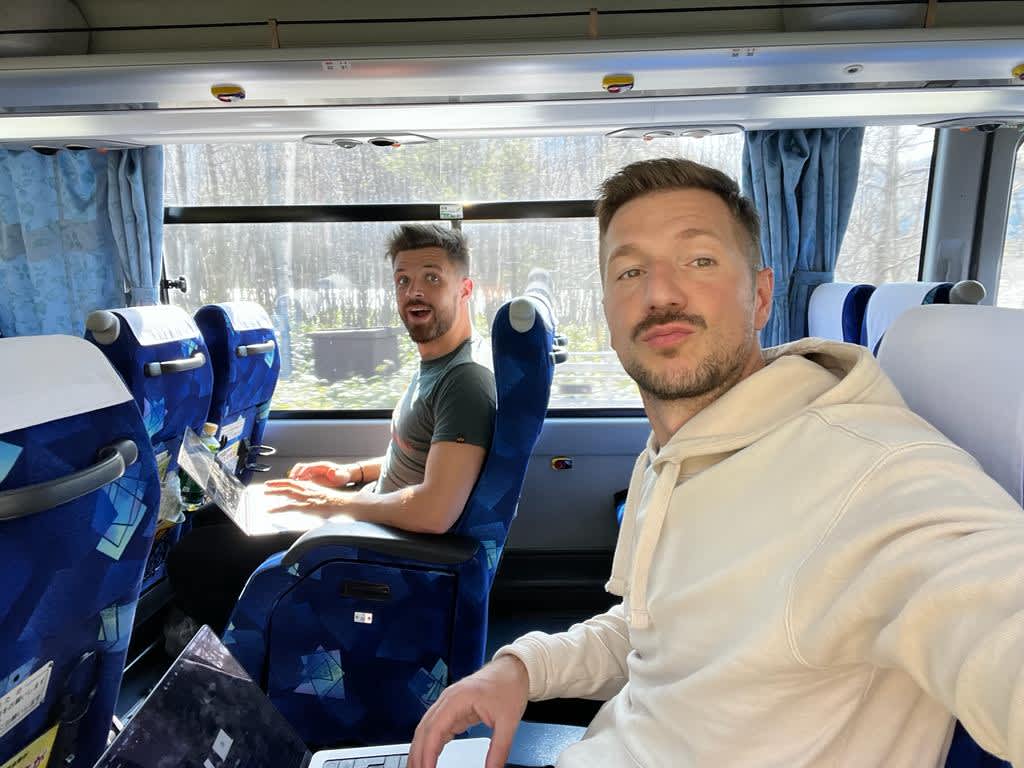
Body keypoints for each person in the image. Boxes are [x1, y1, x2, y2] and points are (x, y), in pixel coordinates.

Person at [408, 158, 1024, 768]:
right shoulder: (673, 451)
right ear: (608, 313)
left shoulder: (875, 472)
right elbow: (653, 635)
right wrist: (522, 669)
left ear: (760, 297)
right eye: (629, 271)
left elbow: (990, 611)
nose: (660, 293)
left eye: (699, 261)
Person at [166, 224, 496, 648]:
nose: (414, 292)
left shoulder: (464, 381)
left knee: (197, 556)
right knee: (218, 516)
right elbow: (427, 455)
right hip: (375, 519)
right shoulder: (438, 365)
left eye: (432, 278)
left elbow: (435, 511)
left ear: (464, 288)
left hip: (386, 548)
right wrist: (350, 473)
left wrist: (331, 504)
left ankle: (235, 670)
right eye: (403, 280)